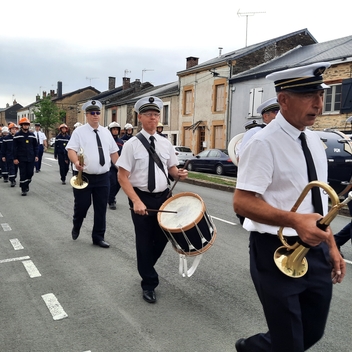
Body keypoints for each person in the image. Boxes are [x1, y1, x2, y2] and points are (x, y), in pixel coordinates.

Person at [233, 62, 345, 352]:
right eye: (309, 95)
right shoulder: (262, 143)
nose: (318, 104)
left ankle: (253, 348)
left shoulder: (313, 141)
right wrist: (295, 221)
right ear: (283, 99)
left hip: (316, 249)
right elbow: (242, 202)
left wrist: (332, 246)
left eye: (320, 95)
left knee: (313, 331)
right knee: (290, 343)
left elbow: (318, 205)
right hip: (274, 250)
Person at [117, 96, 188, 304]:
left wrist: (179, 174)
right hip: (141, 198)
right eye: (148, 114)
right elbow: (122, 176)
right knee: (144, 241)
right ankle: (149, 282)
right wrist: (136, 201)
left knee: (164, 237)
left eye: (156, 114)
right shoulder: (131, 145)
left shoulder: (166, 144)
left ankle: (146, 267)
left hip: (164, 197)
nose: (153, 118)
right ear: (140, 117)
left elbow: (172, 170)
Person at [66, 100, 119, 248]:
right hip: (84, 176)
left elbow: (114, 153)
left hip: (103, 177)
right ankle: (77, 224)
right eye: (92, 113)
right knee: (82, 206)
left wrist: (122, 168)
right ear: (86, 115)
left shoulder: (106, 132)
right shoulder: (79, 132)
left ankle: (98, 237)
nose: (95, 116)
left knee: (101, 208)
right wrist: (76, 162)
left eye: (98, 113)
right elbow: (71, 150)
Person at [13, 118, 39, 196]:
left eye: (27, 124)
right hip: (21, 158)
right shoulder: (17, 135)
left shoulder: (32, 135)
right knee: (23, 173)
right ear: (21, 125)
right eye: (24, 124)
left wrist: (36, 155)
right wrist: (15, 158)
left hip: (31, 157)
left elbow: (35, 146)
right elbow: (14, 148)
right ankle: (23, 188)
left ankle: (26, 183)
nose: (26, 126)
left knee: (30, 173)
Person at [107, 122, 124, 210]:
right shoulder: (107, 140)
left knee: (119, 184)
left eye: (117, 129)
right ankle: (111, 201)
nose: (115, 131)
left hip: (119, 166)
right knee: (113, 183)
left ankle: (110, 196)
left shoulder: (120, 142)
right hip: (110, 166)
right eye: (113, 129)